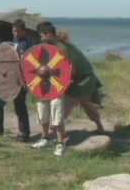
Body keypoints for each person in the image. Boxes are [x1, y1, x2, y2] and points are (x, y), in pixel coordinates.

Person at [31, 21, 105, 156]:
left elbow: (70, 70)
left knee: (62, 109)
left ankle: (60, 140)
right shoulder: (58, 44)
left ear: (48, 34)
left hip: (81, 81)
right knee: (86, 103)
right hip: (79, 80)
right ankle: (100, 128)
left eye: (41, 35)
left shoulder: (61, 48)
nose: (40, 38)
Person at [0, 19, 33, 142]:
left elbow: (24, 63)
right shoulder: (15, 42)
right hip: (10, 80)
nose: (16, 33)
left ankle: (24, 134)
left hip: (20, 81)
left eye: (19, 31)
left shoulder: (27, 44)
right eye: (14, 31)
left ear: (24, 31)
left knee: (19, 106)